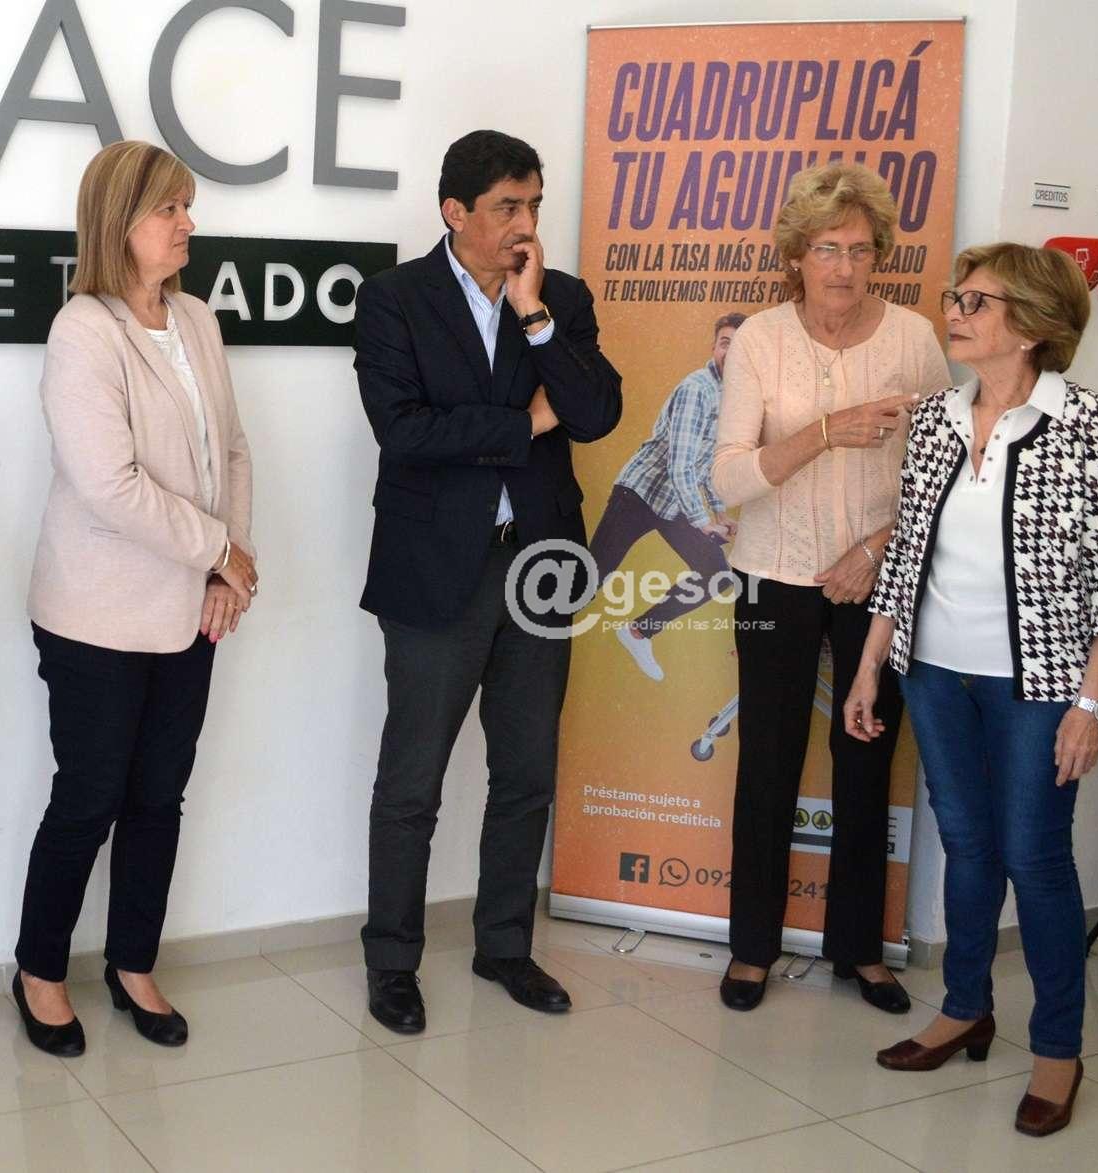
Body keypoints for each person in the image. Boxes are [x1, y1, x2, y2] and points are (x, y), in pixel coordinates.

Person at [846, 242, 1098, 1137]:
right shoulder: (939, 418)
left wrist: (1091, 703)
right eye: (956, 296)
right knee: (968, 844)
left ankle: (1057, 1050)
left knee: (1035, 856)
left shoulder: (1091, 424)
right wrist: (871, 663)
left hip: (1041, 684)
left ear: (1033, 324)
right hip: (937, 674)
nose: (955, 311)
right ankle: (965, 1007)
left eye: (976, 301)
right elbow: (909, 551)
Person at [353, 130, 622, 1033]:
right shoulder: (394, 299)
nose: (526, 223)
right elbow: (405, 430)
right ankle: (393, 961)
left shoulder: (561, 298)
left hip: (540, 566)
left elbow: (597, 411)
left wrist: (535, 316)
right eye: (509, 205)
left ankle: (505, 944)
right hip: (435, 572)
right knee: (412, 783)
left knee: (526, 772)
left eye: (535, 204)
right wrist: (526, 423)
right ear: (455, 211)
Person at [13, 141, 257, 1056]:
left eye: (188, 205)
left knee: (160, 795)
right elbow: (109, 486)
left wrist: (226, 571)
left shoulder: (197, 319)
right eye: (171, 209)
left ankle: (132, 963)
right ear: (120, 223)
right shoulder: (83, 330)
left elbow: (232, 449)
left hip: (191, 608)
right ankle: (40, 971)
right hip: (97, 613)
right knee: (89, 797)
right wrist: (220, 550)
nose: (189, 222)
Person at [711, 162, 950, 1015]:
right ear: (796, 257)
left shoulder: (914, 340)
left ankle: (861, 950)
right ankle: (752, 948)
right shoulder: (759, 339)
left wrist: (879, 550)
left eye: (859, 249)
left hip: (876, 579)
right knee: (768, 762)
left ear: (880, 254)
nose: (844, 267)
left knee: (868, 757)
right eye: (826, 249)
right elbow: (728, 478)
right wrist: (825, 431)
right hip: (773, 575)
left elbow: (942, 476)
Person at [591, 312, 745, 682]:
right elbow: (680, 466)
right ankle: (535, 635)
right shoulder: (698, 390)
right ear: (714, 347)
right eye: (725, 343)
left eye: (740, 346)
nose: (731, 352)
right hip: (640, 493)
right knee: (591, 579)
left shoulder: (733, 397)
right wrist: (703, 521)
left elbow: (704, 463)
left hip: (674, 502)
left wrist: (720, 513)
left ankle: (638, 632)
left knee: (715, 574)